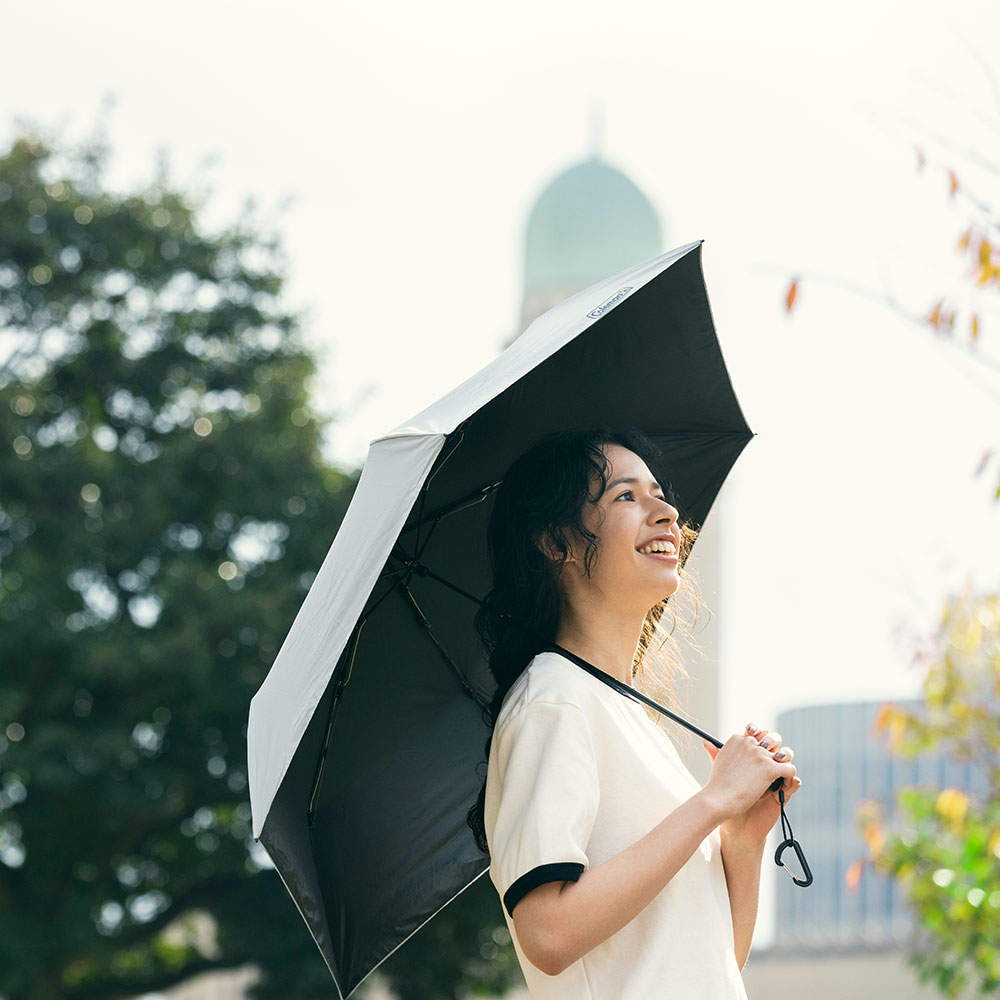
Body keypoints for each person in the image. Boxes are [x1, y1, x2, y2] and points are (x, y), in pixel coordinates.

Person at [467, 426, 802, 999]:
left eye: (659, 494)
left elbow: (716, 962)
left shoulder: (628, 717)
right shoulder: (554, 698)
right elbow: (547, 933)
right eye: (626, 495)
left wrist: (742, 840)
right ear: (558, 543)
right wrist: (712, 802)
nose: (667, 512)